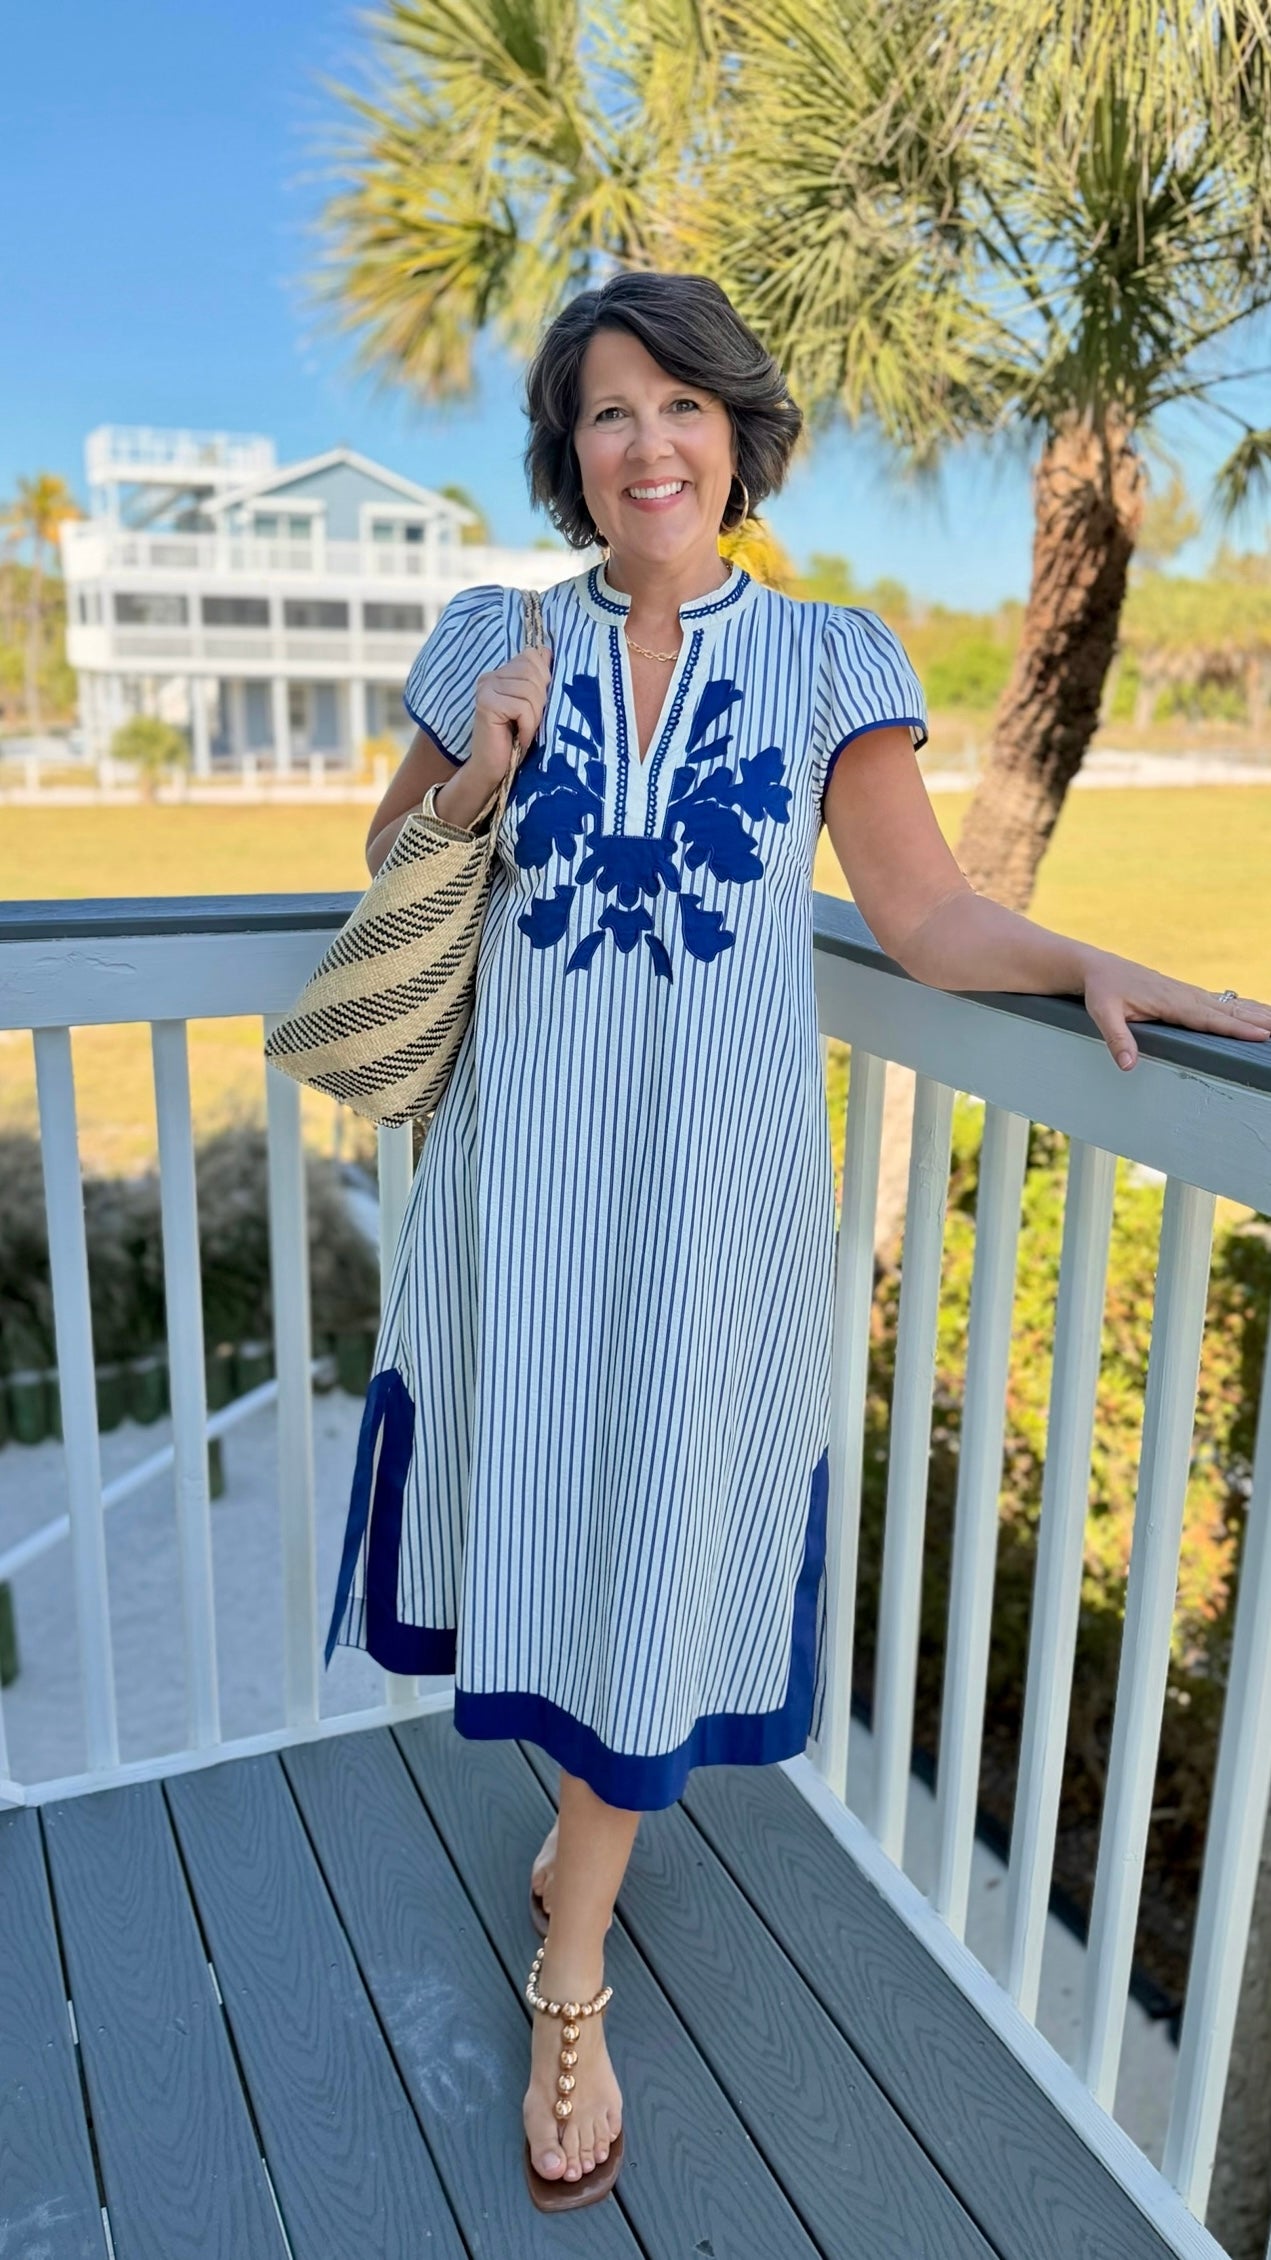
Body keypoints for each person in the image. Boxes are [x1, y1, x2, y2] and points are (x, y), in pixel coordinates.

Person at [322, 269, 1271, 2211]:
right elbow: (388, 865)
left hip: (714, 1207)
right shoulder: (487, 632)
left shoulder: (832, 653)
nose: (645, 441)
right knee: (564, 1531)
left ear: (739, 436)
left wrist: (1092, 961)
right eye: (605, 411)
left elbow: (920, 919)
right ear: (567, 451)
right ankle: (588, 1846)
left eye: (680, 406)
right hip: (530, 1195)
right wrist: (487, 756)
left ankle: (568, 1968)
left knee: (663, 1546)